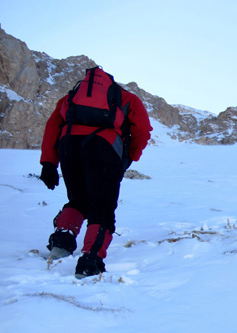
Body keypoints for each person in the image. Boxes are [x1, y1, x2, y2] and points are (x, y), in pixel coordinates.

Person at [39, 66, 152, 278]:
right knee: (102, 208)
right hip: (104, 148)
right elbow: (143, 130)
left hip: (69, 145)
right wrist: (128, 158)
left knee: (77, 200)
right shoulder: (126, 98)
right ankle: (90, 261)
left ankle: (61, 245)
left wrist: (48, 163)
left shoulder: (70, 98)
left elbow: (52, 127)